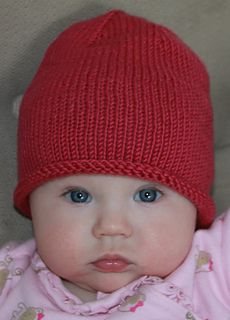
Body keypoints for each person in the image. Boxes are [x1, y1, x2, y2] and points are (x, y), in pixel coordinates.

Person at [0, 9, 229, 319]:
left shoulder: (212, 267)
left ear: (195, 205)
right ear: (32, 203)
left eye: (147, 195)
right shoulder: (8, 277)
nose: (111, 227)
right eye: (77, 195)